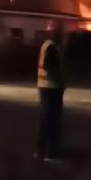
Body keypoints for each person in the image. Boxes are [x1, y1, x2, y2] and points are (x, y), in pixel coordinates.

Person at [36, 20, 67, 162]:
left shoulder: (47, 45)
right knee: (52, 121)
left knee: (45, 120)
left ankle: (40, 151)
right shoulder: (52, 47)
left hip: (46, 87)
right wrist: (60, 82)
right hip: (51, 88)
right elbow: (51, 68)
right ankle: (51, 153)